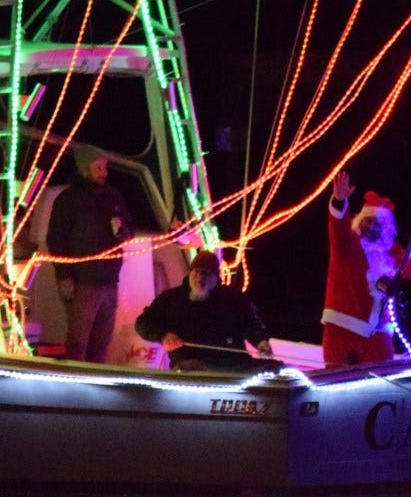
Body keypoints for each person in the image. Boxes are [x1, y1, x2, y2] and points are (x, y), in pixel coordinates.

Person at [322, 170, 411, 365]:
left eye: (378, 224)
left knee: (381, 386)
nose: (372, 227)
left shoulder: (392, 253)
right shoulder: (347, 246)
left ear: (387, 229)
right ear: (360, 221)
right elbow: (337, 226)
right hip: (343, 329)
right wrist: (339, 202)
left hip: (379, 335)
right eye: (368, 221)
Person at [45, 143, 134, 363]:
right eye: (98, 168)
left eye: (105, 167)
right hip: (82, 281)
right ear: (85, 168)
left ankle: (97, 382)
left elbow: (129, 227)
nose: (104, 172)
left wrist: (125, 232)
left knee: (102, 340)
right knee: (78, 340)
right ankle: (74, 382)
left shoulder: (114, 196)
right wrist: (64, 276)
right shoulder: (68, 199)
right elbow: (56, 239)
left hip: (110, 282)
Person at [135, 250, 276, 371]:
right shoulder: (170, 298)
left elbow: (251, 323)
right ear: (190, 274)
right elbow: (142, 323)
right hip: (189, 364)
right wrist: (162, 336)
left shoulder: (234, 298)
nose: (200, 278)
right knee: (192, 367)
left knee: (275, 368)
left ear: (215, 277)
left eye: (206, 273)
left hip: (233, 364)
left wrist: (260, 341)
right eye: (196, 272)